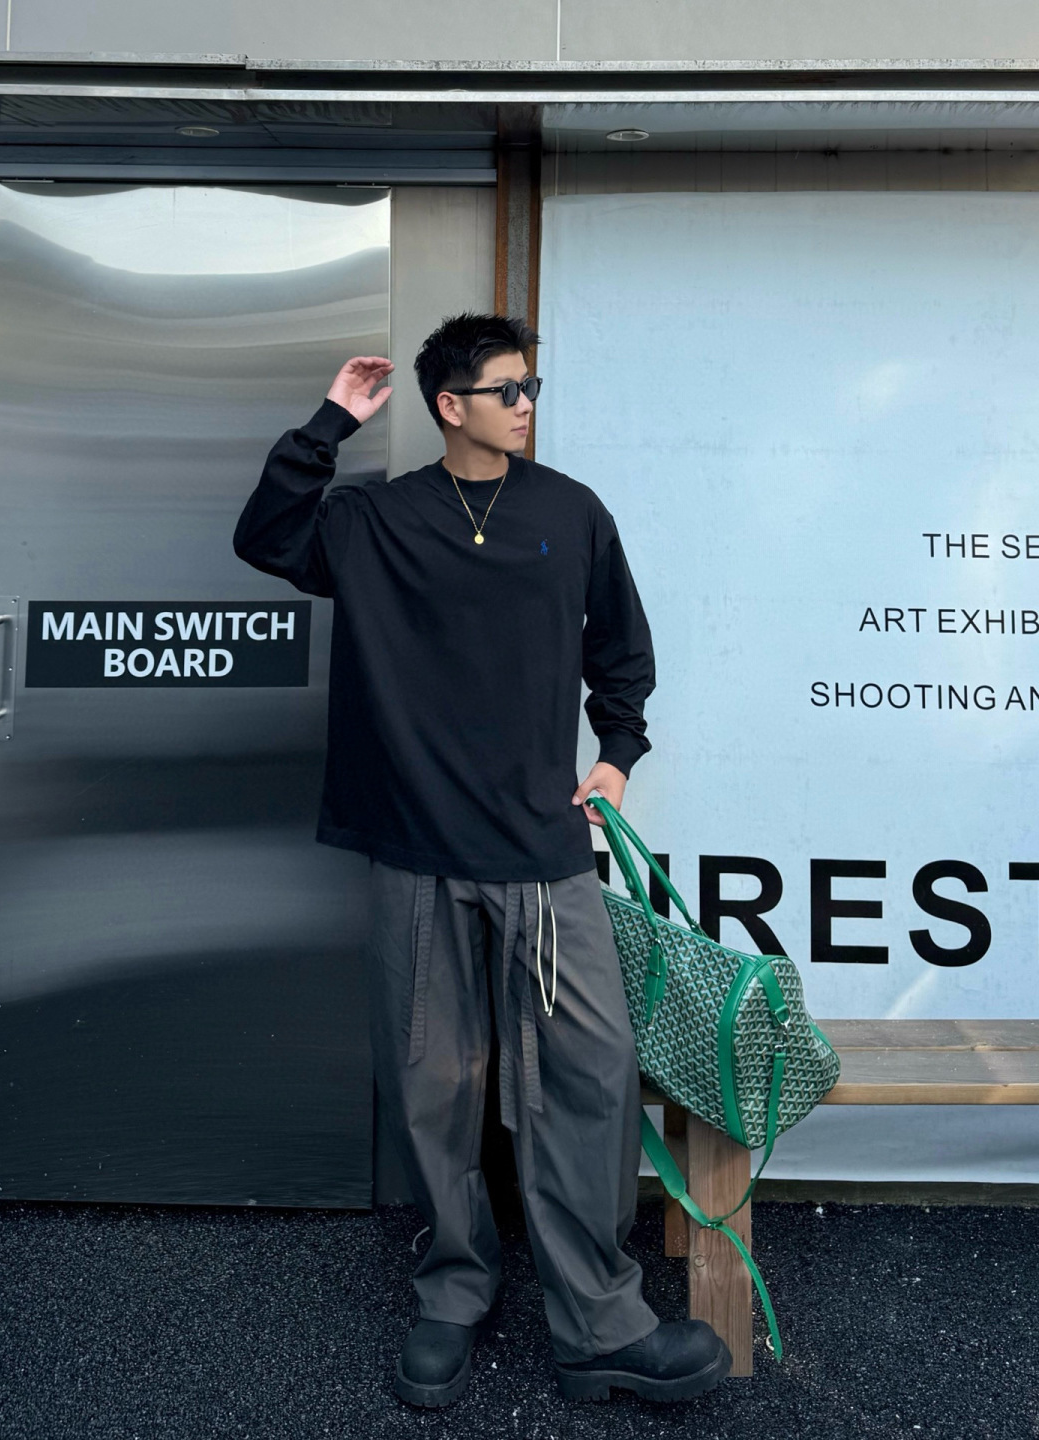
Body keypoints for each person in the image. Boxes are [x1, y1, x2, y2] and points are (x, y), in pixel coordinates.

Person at [232, 312, 731, 1407]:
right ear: (450, 405)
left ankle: (598, 1321)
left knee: (588, 1077)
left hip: (542, 854)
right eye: (507, 389)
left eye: (531, 386)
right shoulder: (376, 518)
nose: (526, 405)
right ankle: (454, 1289)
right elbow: (264, 536)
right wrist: (329, 422)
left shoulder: (570, 511)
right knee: (432, 1085)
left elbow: (622, 649)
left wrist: (618, 756)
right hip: (415, 850)